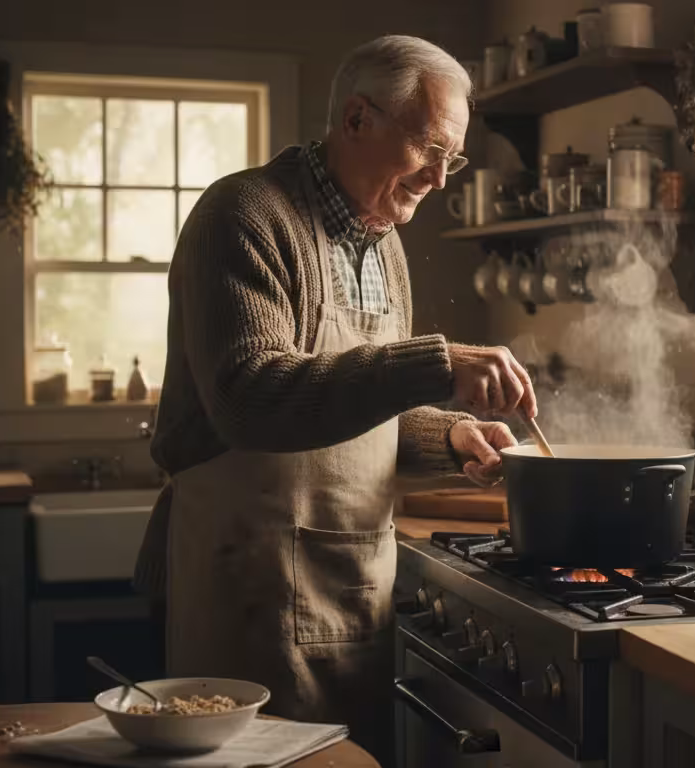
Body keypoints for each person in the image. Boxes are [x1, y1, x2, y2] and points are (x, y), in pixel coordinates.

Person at [132, 35, 536, 763]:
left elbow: (360, 410)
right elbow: (250, 398)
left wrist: (448, 438)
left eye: (455, 158)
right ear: (357, 120)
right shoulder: (244, 216)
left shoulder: (384, 242)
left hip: (355, 589)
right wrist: (438, 363)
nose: (441, 178)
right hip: (247, 595)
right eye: (430, 150)